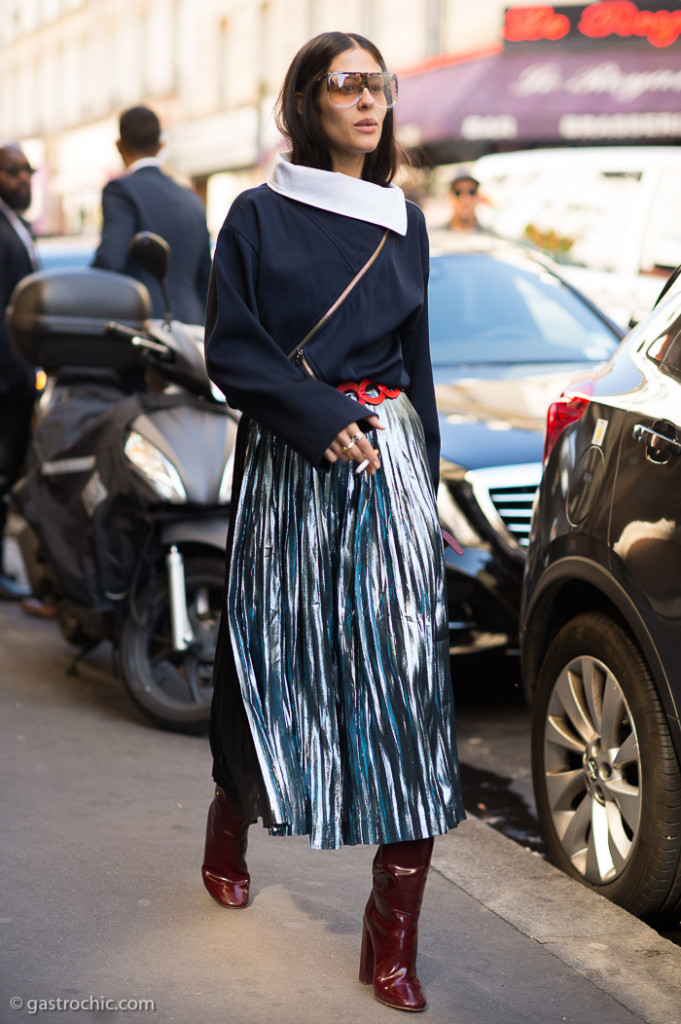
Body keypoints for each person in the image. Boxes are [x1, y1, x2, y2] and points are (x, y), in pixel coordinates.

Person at [201, 31, 465, 1013]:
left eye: (379, 85)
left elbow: (419, 363)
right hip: (292, 458)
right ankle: (231, 819)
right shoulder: (256, 216)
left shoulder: (406, 219)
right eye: (345, 84)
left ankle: (388, 941)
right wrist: (318, 419)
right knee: (272, 663)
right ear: (306, 100)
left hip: (385, 462)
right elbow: (234, 349)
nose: (367, 101)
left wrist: (423, 480)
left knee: (408, 687)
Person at [93, 105, 211, 325]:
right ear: (160, 145)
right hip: (192, 329)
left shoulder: (120, 192)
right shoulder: (192, 198)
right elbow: (207, 278)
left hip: (143, 332)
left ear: (119, 146)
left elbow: (110, 262)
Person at [0, 142, 38, 601]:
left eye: (29, 170)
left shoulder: (18, 226)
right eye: (13, 171)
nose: (24, 178)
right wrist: (19, 375)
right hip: (7, 380)